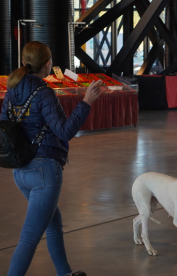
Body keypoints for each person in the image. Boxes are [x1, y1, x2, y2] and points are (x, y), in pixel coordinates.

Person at [1, 41, 102, 276]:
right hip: (44, 173)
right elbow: (65, 131)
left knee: (53, 222)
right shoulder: (43, 92)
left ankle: (64, 272)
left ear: (25, 62)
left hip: (20, 171)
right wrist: (86, 102)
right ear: (47, 65)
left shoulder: (12, 90)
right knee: (29, 238)